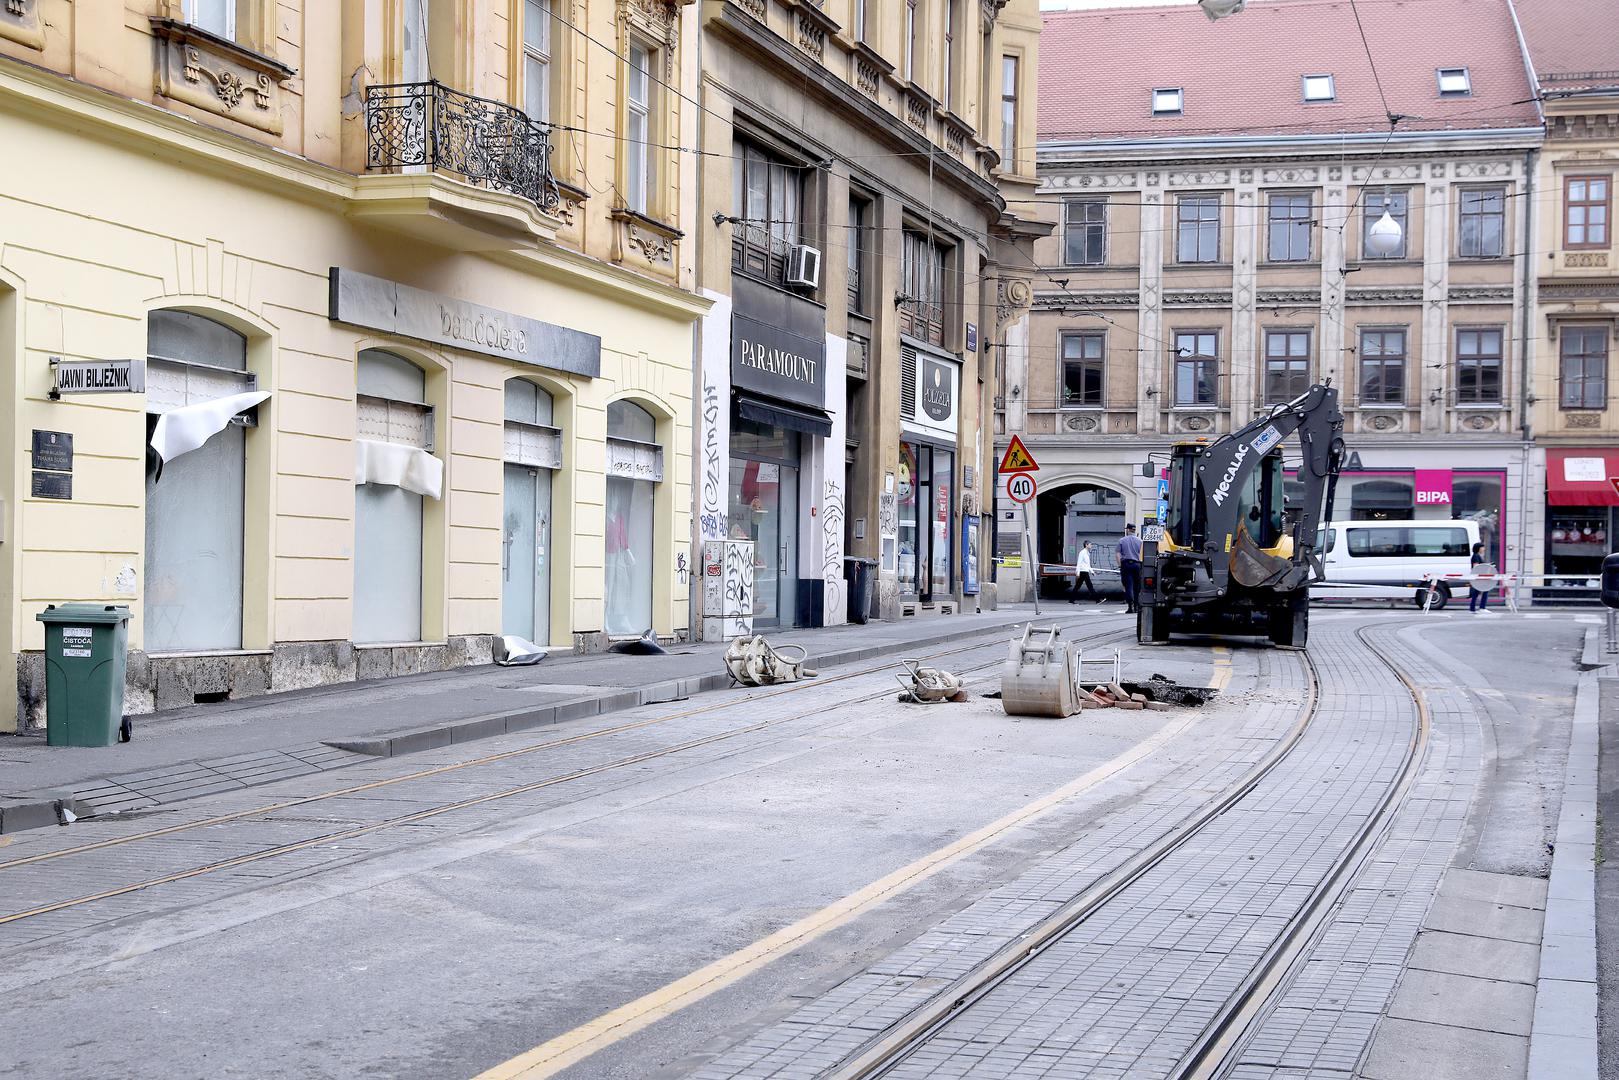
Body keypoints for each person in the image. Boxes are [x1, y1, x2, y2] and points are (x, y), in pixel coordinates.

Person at [1118, 523, 1144, 613]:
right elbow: (1142, 554)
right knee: (1137, 587)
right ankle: (1136, 606)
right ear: (1134, 530)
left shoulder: (1122, 540)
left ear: (1128, 530)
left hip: (1126, 565)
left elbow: (1118, 554)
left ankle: (1130, 606)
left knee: (1128, 585)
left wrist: (1120, 565)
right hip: (1137, 565)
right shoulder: (1140, 541)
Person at [1468, 542, 1494, 615]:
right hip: (1479, 577)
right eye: (1482, 547)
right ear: (1479, 548)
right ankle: (1482, 608)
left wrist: (1486, 565)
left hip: (1477, 577)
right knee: (1485, 590)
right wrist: (1486, 566)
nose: (1484, 549)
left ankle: (1472, 609)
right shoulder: (1476, 556)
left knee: (1476, 593)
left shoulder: (1476, 555)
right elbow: (1476, 566)